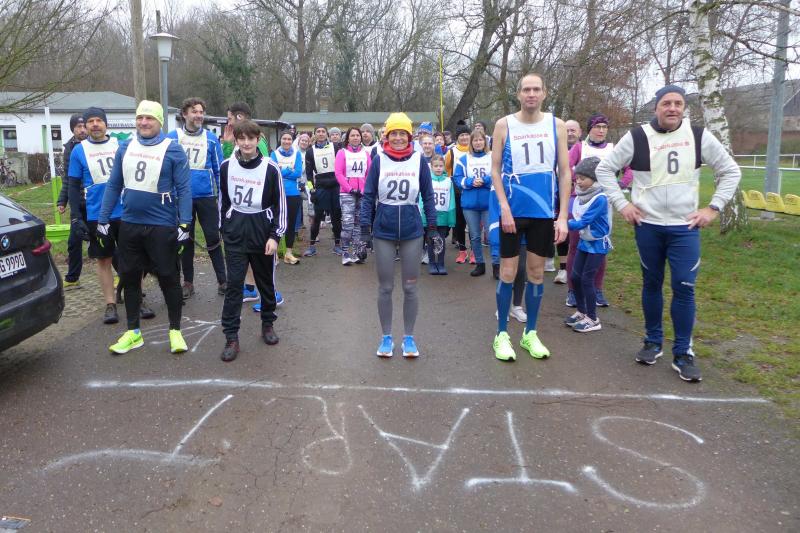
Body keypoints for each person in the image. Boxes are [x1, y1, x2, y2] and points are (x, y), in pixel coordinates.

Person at [595, 84, 741, 382]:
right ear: (656, 107)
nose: (672, 108)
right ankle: (652, 341)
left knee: (684, 285)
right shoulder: (637, 137)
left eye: (678, 103)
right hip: (648, 226)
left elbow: (731, 171)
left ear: (684, 108)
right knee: (652, 283)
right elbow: (604, 170)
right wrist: (622, 204)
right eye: (666, 103)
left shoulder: (698, 136)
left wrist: (713, 208)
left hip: (684, 228)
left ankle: (683, 352)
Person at [98, 101, 191, 354]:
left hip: (161, 225)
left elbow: (184, 189)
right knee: (129, 277)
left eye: (149, 118)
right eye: (140, 118)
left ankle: (175, 331)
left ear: (160, 121)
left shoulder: (173, 149)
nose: (143, 122)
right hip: (130, 224)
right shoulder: (125, 146)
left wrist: (185, 223)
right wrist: (103, 219)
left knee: (168, 278)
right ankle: (133, 332)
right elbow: (114, 184)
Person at [490, 72, 571, 362]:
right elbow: (495, 170)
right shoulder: (504, 125)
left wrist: (562, 216)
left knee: (537, 274)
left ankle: (530, 333)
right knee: (508, 273)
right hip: (512, 212)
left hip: (542, 213)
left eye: (536, 89)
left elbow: (565, 172)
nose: (531, 94)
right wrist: (503, 206)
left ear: (544, 93)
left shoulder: (556, 125)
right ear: (519, 94)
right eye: (526, 89)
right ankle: (501, 334)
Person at [360, 112, 438, 357]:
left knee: (410, 287)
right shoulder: (379, 160)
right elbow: (368, 195)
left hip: (412, 231)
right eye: (393, 133)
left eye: (402, 134)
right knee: (385, 287)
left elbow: (428, 196)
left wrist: (432, 228)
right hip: (384, 230)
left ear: (409, 136)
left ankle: (408, 338)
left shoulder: (419, 161)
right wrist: (364, 229)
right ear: (386, 136)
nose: (397, 138)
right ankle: (386, 338)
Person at [219, 120, 286, 362]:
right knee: (234, 286)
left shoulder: (271, 168)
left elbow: (280, 205)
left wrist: (275, 236)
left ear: (258, 140)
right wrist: (224, 228)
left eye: (251, 138)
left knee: (265, 284)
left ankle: (268, 324)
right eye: (242, 138)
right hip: (235, 234)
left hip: (262, 234)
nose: (246, 143)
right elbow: (222, 201)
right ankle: (231, 336)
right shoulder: (226, 166)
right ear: (236, 140)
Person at [565, 113, 632, 307]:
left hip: (603, 203)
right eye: (597, 127)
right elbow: (565, 167)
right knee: (575, 246)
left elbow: (630, 170)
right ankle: (573, 290)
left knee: (599, 246)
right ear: (590, 129)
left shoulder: (613, 149)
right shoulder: (580, 147)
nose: (601, 130)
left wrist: (619, 185)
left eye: (604, 127)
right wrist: (579, 180)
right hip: (579, 200)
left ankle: (597, 289)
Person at [67, 107, 123, 324]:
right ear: (86, 125)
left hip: (125, 211)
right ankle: (110, 304)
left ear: (106, 124)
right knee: (104, 260)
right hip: (97, 215)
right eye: (90, 121)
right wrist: (75, 217)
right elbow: (73, 186)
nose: (95, 124)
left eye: (99, 120)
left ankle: (136, 298)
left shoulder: (120, 145)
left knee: (131, 259)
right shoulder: (78, 151)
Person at [167, 97, 227, 299]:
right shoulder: (172, 137)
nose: (199, 115)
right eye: (194, 111)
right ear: (185, 114)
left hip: (207, 196)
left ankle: (223, 280)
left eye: (201, 112)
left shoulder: (211, 139)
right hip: (181, 198)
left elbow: (219, 170)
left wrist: (222, 197)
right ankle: (188, 282)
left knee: (213, 238)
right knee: (185, 240)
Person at [564, 157, 610, 333]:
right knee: (575, 277)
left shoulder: (600, 199)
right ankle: (581, 311)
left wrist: (563, 224)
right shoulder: (580, 196)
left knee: (587, 279)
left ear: (594, 178)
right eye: (577, 178)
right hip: (585, 242)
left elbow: (584, 221)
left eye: (583, 178)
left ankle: (592, 318)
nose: (578, 181)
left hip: (597, 245)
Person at [453, 130, 492, 276]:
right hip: (470, 205)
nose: (478, 142)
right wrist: (470, 182)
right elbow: (457, 178)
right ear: (471, 143)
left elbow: (499, 174)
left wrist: (485, 180)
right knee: (475, 236)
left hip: (489, 203)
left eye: (480, 140)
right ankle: (480, 264)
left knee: (492, 236)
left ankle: (496, 265)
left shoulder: (492, 156)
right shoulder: (464, 159)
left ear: (485, 141)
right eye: (475, 140)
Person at [58, 114, 87, 290]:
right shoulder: (69, 148)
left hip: (95, 201)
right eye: (78, 127)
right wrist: (62, 200)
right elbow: (68, 178)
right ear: (72, 129)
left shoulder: (94, 144)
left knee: (105, 241)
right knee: (74, 242)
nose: (82, 130)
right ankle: (72, 278)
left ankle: (120, 275)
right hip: (77, 202)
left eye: (84, 126)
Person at [304, 125, 342, 256]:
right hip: (321, 186)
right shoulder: (310, 151)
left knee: (336, 217)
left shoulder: (335, 147)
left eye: (323, 131)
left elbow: (342, 167)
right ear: (315, 134)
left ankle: (337, 245)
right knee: (317, 218)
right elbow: (309, 175)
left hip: (335, 186)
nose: (321, 134)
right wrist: (311, 190)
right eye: (318, 132)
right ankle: (312, 246)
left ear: (327, 134)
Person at [335, 127, 371, 265]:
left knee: (358, 224)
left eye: (357, 135)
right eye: (352, 135)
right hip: (347, 193)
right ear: (348, 138)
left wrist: (363, 189)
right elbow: (338, 173)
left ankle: (356, 252)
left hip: (361, 193)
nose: (355, 138)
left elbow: (369, 173)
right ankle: (345, 251)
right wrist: (349, 189)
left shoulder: (365, 153)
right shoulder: (342, 153)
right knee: (348, 223)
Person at [270, 130, 303, 264]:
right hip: (277, 192)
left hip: (293, 193)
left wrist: (283, 170)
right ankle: (274, 254)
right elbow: (273, 172)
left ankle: (288, 253)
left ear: (292, 140)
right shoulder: (274, 154)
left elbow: (298, 173)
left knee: (290, 223)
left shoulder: (297, 154)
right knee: (276, 222)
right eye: (284, 139)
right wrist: (290, 169)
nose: (287, 141)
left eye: (289, 139)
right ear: (280, 140)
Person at [420, 153, 455, 274]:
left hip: (443, 216)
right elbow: (421, 199)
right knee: (430, 240)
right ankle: (432, 263)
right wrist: (422, 215)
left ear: (444, 166)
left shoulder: (448, 181)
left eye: (441, 166)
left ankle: (440, 263)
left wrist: (451, 218)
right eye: (436, 166)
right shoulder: (427, 180)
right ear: (431, 167)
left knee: (441, 240)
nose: (438, 168)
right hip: (429, 216)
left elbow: (451, 201)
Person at [444, 121, 471, 263]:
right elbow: (446, 169)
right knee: (460, 222)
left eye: (467, 134)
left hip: (473, 190)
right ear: (457, 137)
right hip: (458, 191)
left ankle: (474, 251)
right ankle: (462, 250)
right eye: (462, 135)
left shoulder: (475, 149)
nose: (464, 137)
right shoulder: (451, 152)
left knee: (472, 223)